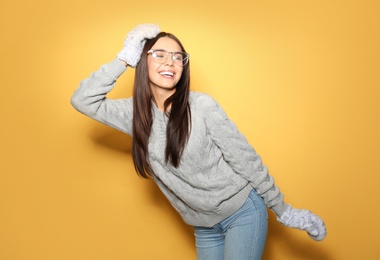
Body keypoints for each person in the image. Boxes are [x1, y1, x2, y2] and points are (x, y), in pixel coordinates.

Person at [71, 24, 326, 260]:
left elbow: (245, 159)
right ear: (142, 58)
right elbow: (83, 99)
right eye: (159, 55)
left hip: (243, 212)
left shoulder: (202, 106)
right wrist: (124, 57)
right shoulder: (134, 114)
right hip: (203, 225)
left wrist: (284, 210)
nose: (170, 62)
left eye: (177, 57)